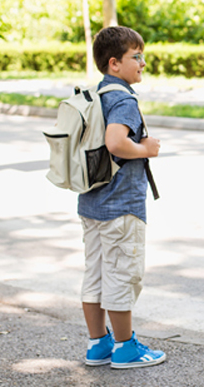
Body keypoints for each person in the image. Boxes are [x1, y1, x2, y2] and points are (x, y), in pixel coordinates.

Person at [77, 26, 165, 369]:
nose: (143, 63)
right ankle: (126, 348)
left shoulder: (96, 94)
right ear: (114, 63)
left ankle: (98, 344)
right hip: (121, 208)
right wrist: (147, 149)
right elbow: (116, 143)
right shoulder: (123, 98)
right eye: (137, 56)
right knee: (122, 275)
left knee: (95, 275)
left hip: (91, 204)